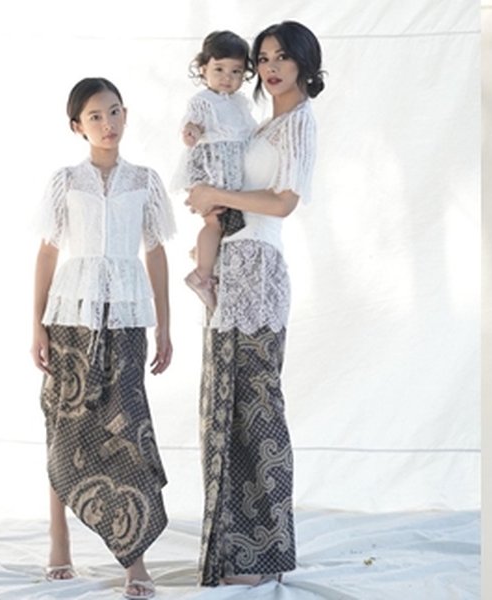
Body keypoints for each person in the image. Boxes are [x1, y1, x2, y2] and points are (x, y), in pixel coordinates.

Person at [183, 20, 321, 587]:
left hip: (258, 268)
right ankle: (231, 551)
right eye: (262, 57)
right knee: (224, 406)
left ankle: (262, 551)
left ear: (305, 64)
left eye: (281, 57)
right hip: (234, 262)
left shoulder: (299, 125)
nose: (269, 67)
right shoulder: (264, 122)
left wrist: (216, 195)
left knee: (257, 409)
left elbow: (285, 201)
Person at [31, 77, 174, 600]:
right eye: (95, 116)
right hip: (70, 314)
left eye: (114, 112)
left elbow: (155, 251)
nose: (108, 124)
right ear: (77, 126)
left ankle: (135, 561)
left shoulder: (145, 181)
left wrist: (165, 324)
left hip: (127, 319)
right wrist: (36, 326)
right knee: (65, 425)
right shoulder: (66, 181)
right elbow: (48, 252)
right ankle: (59, 540)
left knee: (126, 429)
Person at [176, 30, 258, 309]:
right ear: (203, 69)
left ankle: (202, 253)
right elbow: (194, 124)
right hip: (211, 167)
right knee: (214, 220)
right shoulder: (203, 100)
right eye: (219, 69)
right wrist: (191, 131)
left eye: (236, 71)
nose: (227, 77)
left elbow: (248, 133)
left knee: (226, 222)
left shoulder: (240, 103)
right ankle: (201, 275)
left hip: (231, 170)